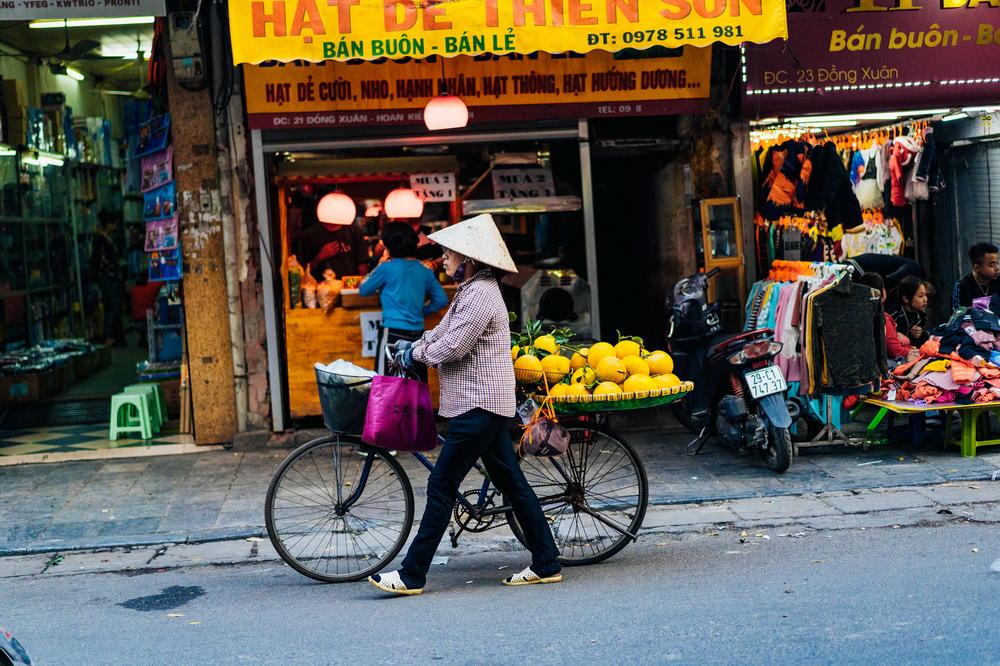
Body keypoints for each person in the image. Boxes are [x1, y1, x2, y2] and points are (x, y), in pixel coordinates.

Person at [367, 214, 560, 596]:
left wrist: (416, 356)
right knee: (513, 484)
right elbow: (440, 333)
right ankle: (547, 561)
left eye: (448, 253)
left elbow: (453, 347)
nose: (443, 258)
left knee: (441, 485)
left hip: (480, 407)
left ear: (468, 258)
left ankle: (411, 574)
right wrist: (415, 346)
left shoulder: (482, 294)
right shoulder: (470, 291)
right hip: (482, 406)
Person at [359, 222, 448, 380]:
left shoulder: (386, 268)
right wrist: (422, 310)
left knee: (385, 382)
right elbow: (441, 299)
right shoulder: (424, 270)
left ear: (389, 246)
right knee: (416, 382)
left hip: (392, 333)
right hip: (417, 335)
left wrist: (379, 264)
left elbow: (364, 290)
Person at [856, 271, 914, 364]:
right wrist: (914, 350)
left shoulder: (855, 314)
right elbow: (897, 351)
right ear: (881, 292)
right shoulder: (881, 318)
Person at [297, 210, 369, 282]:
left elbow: (362, 263)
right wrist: (320, 257)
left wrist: (364, 285)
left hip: (349, 286)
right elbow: (303, 270)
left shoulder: (354, 231)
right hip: (321, 288)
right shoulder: (310, 235)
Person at [90, 211, 125, 346]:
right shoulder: (101, 240)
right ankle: (109, 337)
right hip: (108, 278)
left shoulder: (103, 239)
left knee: (113, 307)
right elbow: (103, 261)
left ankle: (114, 337)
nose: (116, 227)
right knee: (112, 307)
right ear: (109, 224)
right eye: (114, 224)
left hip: (108, 278)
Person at [952, 242, 1000, 310]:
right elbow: (956, 315)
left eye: (997, 263)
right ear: (977, 268)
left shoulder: (998, 281)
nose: (997, 268)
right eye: (991, 265)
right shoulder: (962, 286)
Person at [889, 276, 930, 348]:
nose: (925, 299)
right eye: (921, 296)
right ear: (906, 299)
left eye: (925, 295)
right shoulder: (894, 315)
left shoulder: (921, 314)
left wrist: (919, 333)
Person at [846, 253, 925, 291]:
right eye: (922, 295)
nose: (924, 301)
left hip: (858, 266)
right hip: (857, 267)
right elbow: (890, 279)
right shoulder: (915, 269)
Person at [129, 275, 163, 348]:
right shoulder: (152, 285)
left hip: (137, 320)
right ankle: (154, 344)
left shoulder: (134, 289)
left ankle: (143, 338)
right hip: (150, 318)